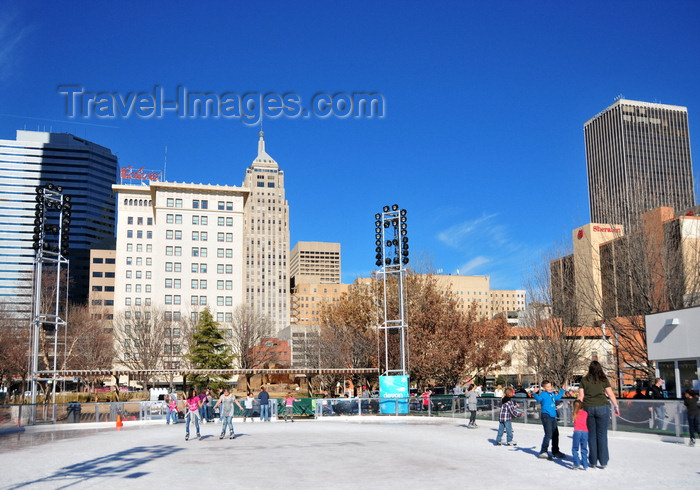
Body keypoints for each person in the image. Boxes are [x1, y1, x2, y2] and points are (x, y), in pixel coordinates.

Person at [577, 360, 620, 469]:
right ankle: (604, 461)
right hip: (602, 407)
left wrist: (577, 410)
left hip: (588, 408)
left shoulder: (584, 380)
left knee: (591, 435)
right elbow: (610, 394)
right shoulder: (603, 379)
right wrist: (616, 406)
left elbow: (580, 396)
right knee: (602, 435)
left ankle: (593, 461)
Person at [532, 380, 567, 460]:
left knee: (555, 434)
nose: (550, 388)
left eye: (550, 386)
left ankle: (555, 451)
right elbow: (539, 399)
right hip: (546, 415)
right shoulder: (543, 394)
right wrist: (534, 393)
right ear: (544, 388)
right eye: (548, 387)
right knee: (548, 434)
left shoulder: (552, 394)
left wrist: (562, 390)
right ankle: (543, 451)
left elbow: (558, 397)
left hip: (553, 416)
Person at [571, 400, 589, 470]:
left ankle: (576, 463)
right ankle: (585, 464)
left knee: (575, 449)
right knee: (584, 448)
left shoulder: (574, 413)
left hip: (577, 431)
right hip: (585, 432)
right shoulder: (585, 413)